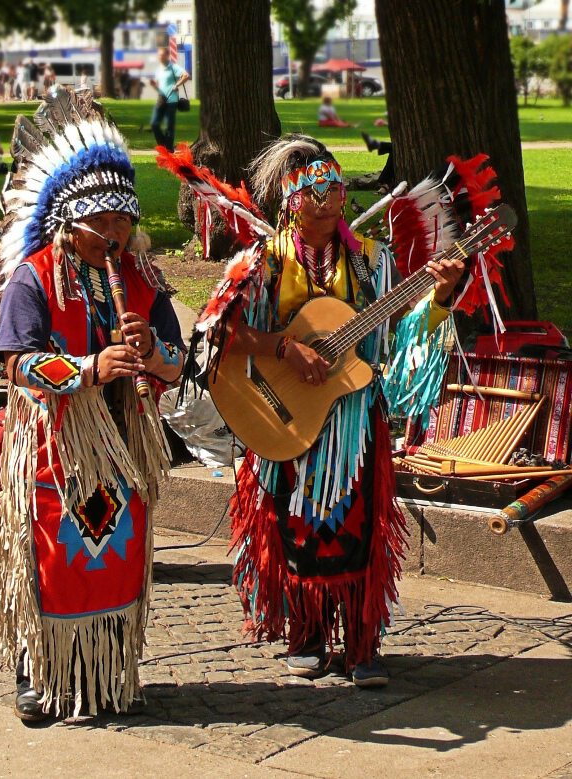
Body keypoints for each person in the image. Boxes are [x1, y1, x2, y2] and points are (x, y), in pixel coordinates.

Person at [202, 135, 463, 687]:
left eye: (336, 186)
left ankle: (362, 641)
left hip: (352, 422)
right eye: (314, 188)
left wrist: (440, 298)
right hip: (282, 416)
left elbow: (402, 337)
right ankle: (308, 634)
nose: (328, 197)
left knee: (357, 526)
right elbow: (220, 332)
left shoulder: (372, 262)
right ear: (290, 200)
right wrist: (283, 347)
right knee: (292, 524)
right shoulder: (262, 263)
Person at [0, 86, 184, 721]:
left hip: (124, 442)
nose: (114, 234)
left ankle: (103, 673)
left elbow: (182, 363)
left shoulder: (142, 277)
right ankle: (37, 672)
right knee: (50, 553)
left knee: (114, 555)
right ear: (67, 225)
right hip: (55, 442)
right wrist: (87, 368)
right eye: (101, 225)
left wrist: (151, 350)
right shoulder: (34, 276)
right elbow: (16, 360)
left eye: (123, 222)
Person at [148, 47, 189, 151]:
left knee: (169, 126)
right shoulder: (158, 69)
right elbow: (158, 86)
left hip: (172, 100)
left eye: (162, 55)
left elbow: (186, 75)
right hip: (161, 98)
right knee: (154, 124)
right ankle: (163, 146)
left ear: (167, 56)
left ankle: (169, 150)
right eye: (159, 55)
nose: (160, 57)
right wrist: (153, 85)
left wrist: (177, 84)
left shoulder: (173, 67)